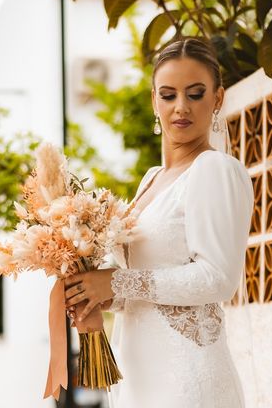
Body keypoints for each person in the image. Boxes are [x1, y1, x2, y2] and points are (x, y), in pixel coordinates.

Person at [64, 36, 254, 407]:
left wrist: (116, 282)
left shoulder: (214, 169)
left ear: (218, 98)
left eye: (196, 94)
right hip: (140, 372)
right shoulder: (151, 178)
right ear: (154, 100)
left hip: (186, 379)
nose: (180, 107)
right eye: (168, 95)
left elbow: (218, 279)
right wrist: (98, 292)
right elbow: (147, 282)